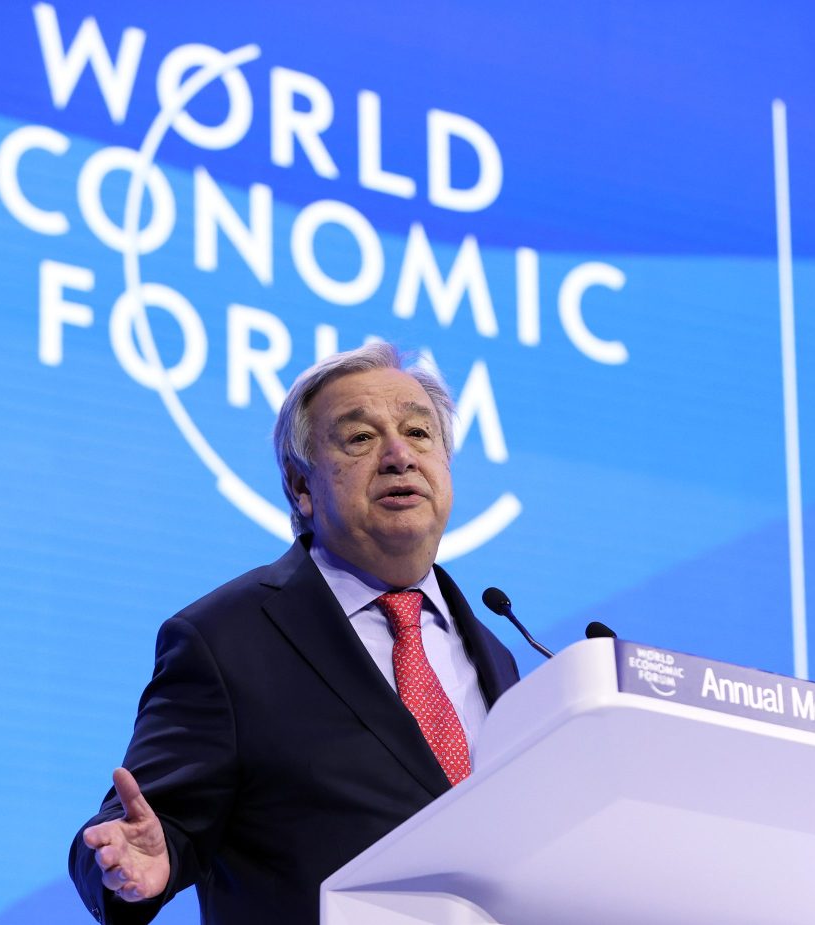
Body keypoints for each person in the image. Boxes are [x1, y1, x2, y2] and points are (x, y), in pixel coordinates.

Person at [69, 342, 521, 925]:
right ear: (301, 486)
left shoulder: (498, 654)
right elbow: (145, 826)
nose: (398, 456)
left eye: (419, 433)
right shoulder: (225, 640)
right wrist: (130, 862)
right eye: (360, 438)